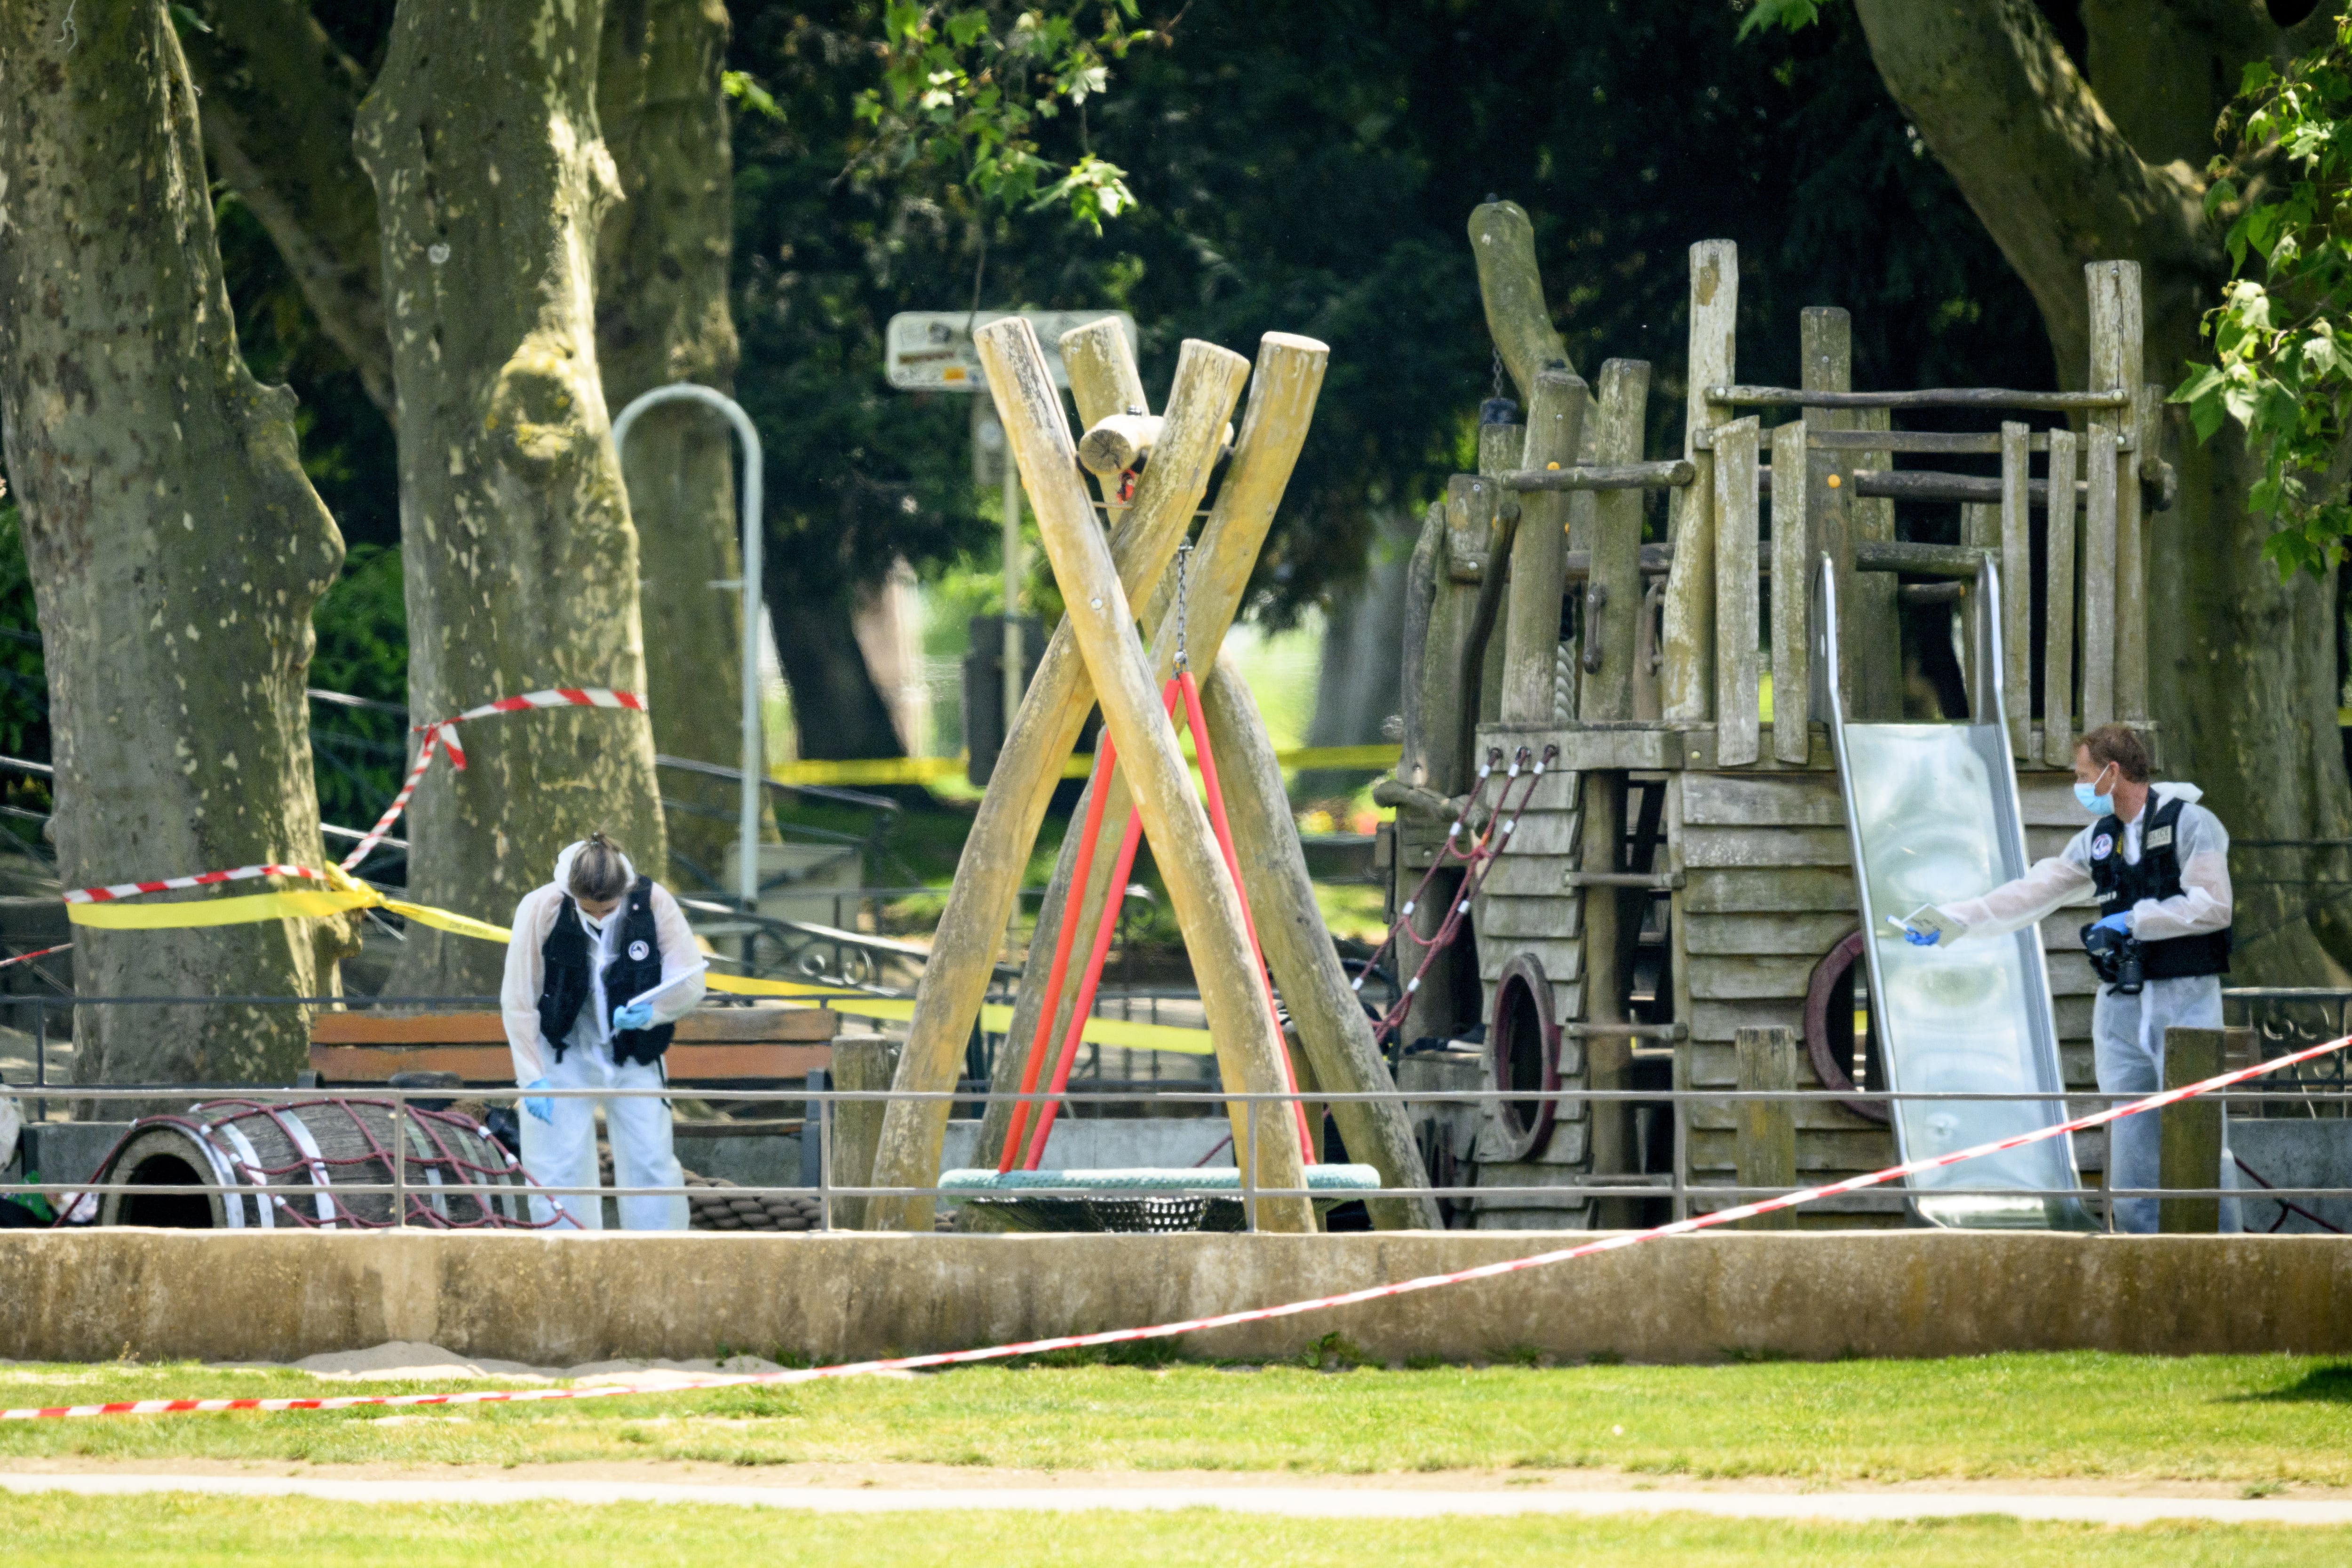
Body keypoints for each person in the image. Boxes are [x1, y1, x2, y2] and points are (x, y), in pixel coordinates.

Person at [1898, 724, 2232, 1234]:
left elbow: (2213, 906)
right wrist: (1949, 920)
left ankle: (2224, 1251)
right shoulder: (2098, 840)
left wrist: (2134, 920)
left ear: (2110, 772)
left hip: (2184, 1000)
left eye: (2081, 776)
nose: (2078, 787)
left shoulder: (2191, 823)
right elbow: (2030, 893)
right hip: (2121, 1002)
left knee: (2199, 1132)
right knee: (2128, 1135)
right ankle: (2140, 1248)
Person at [500, 832, 706, 1230]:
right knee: (556, 1163)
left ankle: (657, 1258)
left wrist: (653, 1012)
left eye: (607, 909)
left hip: (633, 1051)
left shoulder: (653, 901)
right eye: (587, 909)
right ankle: (567, 1256)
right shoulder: (541, 907)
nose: (598, 917)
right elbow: (519, 998)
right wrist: (532, 1078)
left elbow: (690, 981)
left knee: (650, 1157)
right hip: (562, 1052)